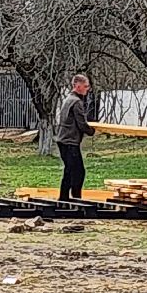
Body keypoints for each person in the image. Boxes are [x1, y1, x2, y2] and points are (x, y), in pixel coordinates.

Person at [55, 73, 95, 201]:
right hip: (70, 142)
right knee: (78, 171)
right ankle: (76, 198)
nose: (87, 89)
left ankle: (64, 198)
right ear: (77, 86)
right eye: (86, 86)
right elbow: (82, 124)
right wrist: (92, 131)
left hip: (62, 140)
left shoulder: (68, 99)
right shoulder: (77, 102)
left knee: (69, 170)